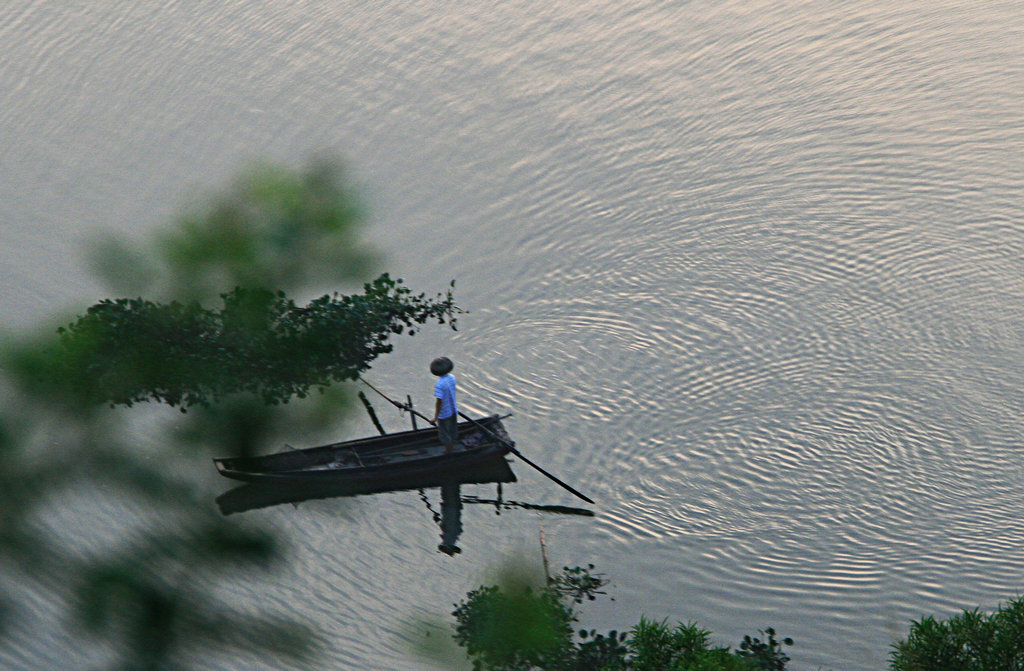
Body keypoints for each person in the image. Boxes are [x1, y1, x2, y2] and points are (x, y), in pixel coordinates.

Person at [429, 356, 458, 453]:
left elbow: (439, 403)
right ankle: (453, 446)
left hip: (445, 413)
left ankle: (449, 451)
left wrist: (436, 417)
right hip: (453, 409)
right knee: (453, 429)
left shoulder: (439, 385)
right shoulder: (452, 378)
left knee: (444, 433)